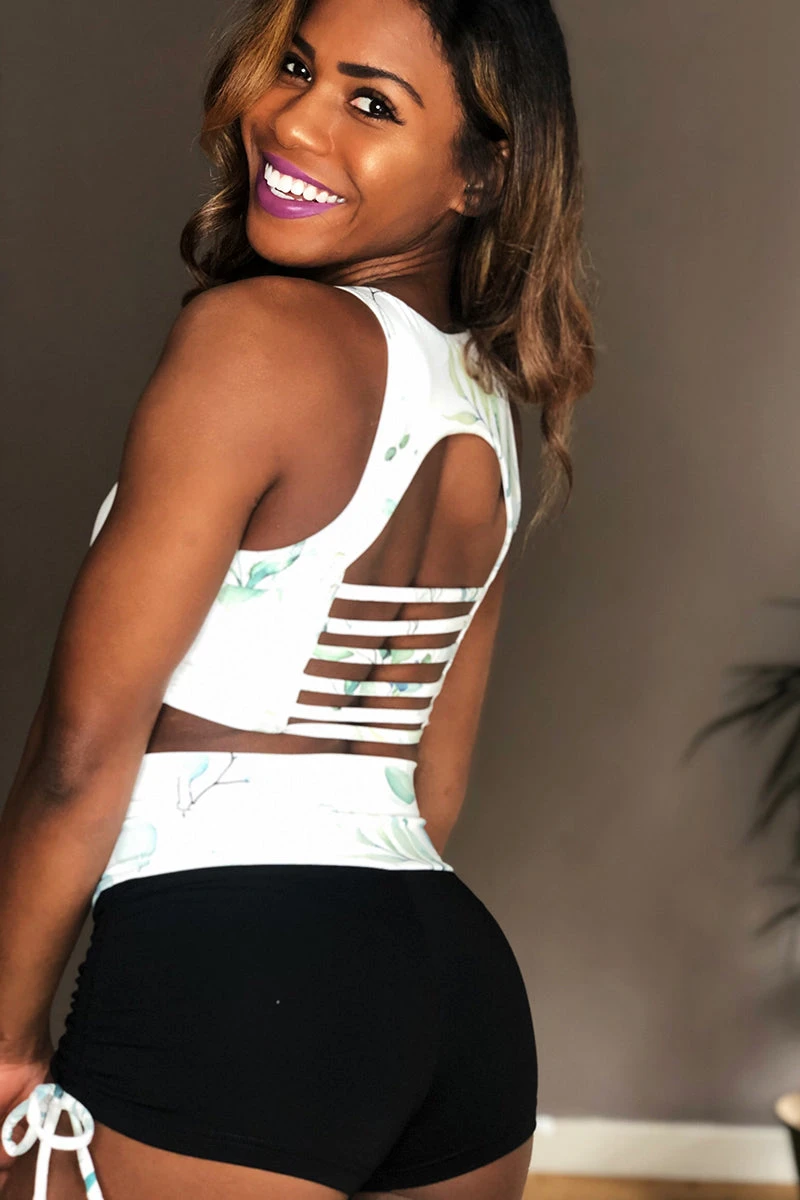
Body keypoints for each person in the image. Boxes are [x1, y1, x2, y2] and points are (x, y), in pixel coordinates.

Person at [0, 0, 594, 1196]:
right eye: (294, 66)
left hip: (235, 978)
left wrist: (7, 1032)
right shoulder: (484, 408)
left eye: (371, 103)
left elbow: (81, 751)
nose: (291, 120)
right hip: (453, 996)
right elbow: (433, 783)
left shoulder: (255, 338)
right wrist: (347, 999)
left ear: (481, 174)